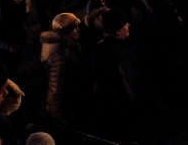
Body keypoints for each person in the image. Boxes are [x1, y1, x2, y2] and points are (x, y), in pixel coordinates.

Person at [92, 8, 144, 142]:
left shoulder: (99, 47)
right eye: (125, 24)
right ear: (118, 31)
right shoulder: (121, 53)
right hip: (123, 106)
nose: (128, 25)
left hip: (107, 105)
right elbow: (130, 83)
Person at [40, 13, 92, 128]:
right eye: (74, 28)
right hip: (70, 108)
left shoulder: (70, 45)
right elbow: (57, 89)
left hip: (76, 101)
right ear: (66, 32)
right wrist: (61, 115)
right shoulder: (60, 56)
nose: (78, 30)